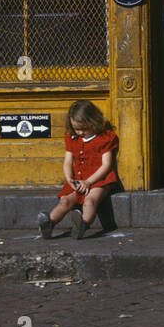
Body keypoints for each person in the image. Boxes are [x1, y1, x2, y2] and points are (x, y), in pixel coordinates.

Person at [37, 100, 119, 240]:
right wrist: (69, 179)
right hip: (78, 179)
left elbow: (106, 165)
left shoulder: (105, 137)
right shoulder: (72, 138)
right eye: (76, 129)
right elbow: (68, 161)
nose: (80, 132)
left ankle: (82, 225)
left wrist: (88, 182)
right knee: (65, 201)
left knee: (90, 201)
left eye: (84, 129)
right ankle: (49, 223)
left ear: (94, 122)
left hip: (99, 180)